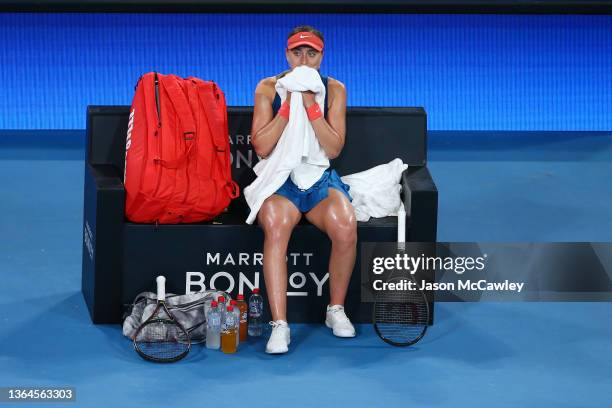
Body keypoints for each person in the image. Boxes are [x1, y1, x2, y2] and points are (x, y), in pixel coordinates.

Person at [251, 26, 357, 354]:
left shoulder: (335, 89)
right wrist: (287, 106)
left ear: (321, 57)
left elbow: (334, 148)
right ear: (287, 54)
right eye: (297, 52)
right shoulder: (269, 88)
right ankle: (280, 325)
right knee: (276, 228)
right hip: (281, 182)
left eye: (311, 53)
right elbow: (262, 147)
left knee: (346, 226)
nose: (304, 59)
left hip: (320, 180)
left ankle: (335, 310)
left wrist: (311, 105)